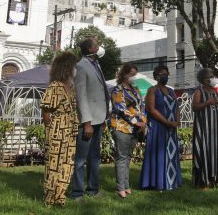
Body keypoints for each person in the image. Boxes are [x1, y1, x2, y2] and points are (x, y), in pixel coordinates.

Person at [71, 37, 110, 199]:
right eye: (97, 45)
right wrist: (87, 122)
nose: (100, 47)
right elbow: (82, 96)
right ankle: (77, 193)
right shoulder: (80, 67)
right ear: (91, 49)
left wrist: (104, 118)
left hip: (99, 119)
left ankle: (93, 189)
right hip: (88, 122)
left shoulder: (96, 64)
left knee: (95, 157)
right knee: (80, 160)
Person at [41, 51, 79, 206]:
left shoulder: (70, 86)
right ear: (67, 67)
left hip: (70, 128)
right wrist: (52, 129)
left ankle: (60, 196)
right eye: (73, 66)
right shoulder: (55, 86)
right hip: (57, 129)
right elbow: (46, 111)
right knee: (54, 164)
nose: (75, 69)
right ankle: (49, 199)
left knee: (67, 165)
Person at [139, 65, 182, 191]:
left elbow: (177, 107)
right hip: (158, 127)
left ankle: (171, 181)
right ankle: (157, 183)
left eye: (166, 74)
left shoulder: (171, 90)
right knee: (159, 154)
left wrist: (177, 121)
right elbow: (151, 109)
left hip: (171, 128)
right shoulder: (152, 90)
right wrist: (167, 122)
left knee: (171, 154)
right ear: (156, 76)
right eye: (162, 74)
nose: (165, 76)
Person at [110, 63, 147, 198]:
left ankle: (126, 185)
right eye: (132, 74)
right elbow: (120, 108)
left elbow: (142, 106)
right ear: (124, 74)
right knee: (121, 157)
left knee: (128, 157)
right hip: (121, 127)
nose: (134, 77)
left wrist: (143, 121)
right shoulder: (117, 90)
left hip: (135, 128)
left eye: (135, 74)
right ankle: (120, 187)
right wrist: (135, 121)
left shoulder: (136, 90)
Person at [192, 68, 218, 188]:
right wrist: (207, 102)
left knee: (215, 154)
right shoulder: (199, 92)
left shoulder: (216, 92)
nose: (213, 79)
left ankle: (214, 180)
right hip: (203, 130)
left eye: (213, 76)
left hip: (215, 131)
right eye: (211, 77)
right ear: (204, 80)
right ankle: (202, 182)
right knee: (203, 153)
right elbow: (194, 107)